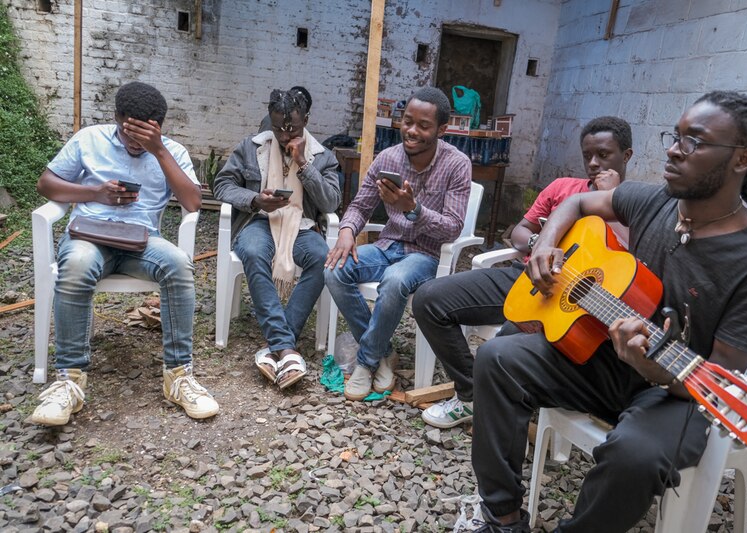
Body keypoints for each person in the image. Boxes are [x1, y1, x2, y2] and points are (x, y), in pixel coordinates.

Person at [470, 91, 747, 532]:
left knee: (635, 455)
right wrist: (545, 244)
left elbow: (717, 380)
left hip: (676, 392)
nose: (673, 149)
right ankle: (502, 518)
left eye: (694, 141)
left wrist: (655, 369)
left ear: (743, 159)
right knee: (496, 358)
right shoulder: (655, 200)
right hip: (605, 357)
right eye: (675, 135)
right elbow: (578, 203)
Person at [413, 116, 633, 428]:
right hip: (526, 274)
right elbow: (520, 230)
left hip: (573, 301)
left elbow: (629, 259)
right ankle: (472, 394)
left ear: (626, 156)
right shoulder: (562, 188)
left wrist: (611, 199)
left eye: (604, 155)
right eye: (587, 156)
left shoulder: (637, 206)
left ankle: (499, 407)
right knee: (429, 299)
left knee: (499, 349)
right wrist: (540, 244)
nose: (594, 163)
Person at [31, 81, 219, 426]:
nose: (134, 142)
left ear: (159, 126)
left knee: (178, 264)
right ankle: (70, 381)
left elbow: (193, 202)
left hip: (142, 242)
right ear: (117, 117)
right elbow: (46, 184)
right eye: (128, 130)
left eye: (143, 133)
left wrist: (158, 149)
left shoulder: (171, 151)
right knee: (76, 263)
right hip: (91, 235)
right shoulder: (89, 139)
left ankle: (178, 376)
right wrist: (95, 193)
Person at [325, 87, 472, 401]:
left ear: (441, 130)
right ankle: (383, 351)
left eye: (423, 125)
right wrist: (348, 230)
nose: (412, 130)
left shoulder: (457, 165)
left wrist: (413, 210)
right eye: (408, 121)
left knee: (394, 282)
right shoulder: (387, 157)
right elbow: (360, 206)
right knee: (335, 269)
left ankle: (365, 363)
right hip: (388, 245)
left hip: (426, 254)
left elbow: (452, 228)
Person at [214, 87, 340, 389]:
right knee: (255, 252)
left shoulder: (323, 157)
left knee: (322, 258)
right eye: (278, 129)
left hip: (303, 224)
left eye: (292, 130)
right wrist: (256, 199)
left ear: (306, 120)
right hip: (259, 221)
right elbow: (222, 185)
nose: (285, 137)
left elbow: (331, 203)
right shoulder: (251, 147)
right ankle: (287, 348)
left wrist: (305, 165)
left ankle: (277, 346)